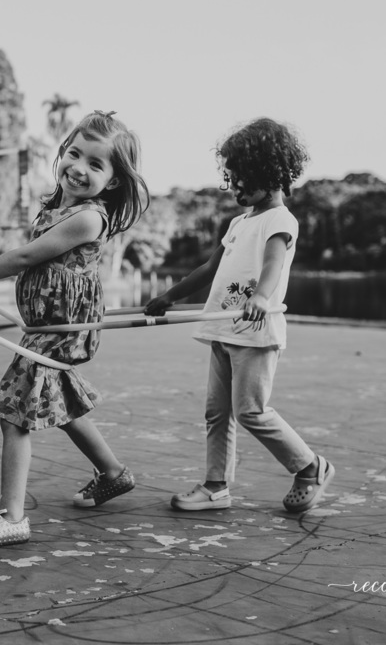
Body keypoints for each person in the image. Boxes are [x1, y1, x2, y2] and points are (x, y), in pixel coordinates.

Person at [0, 111, 150, 548]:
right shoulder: (58, 205)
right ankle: (112, 473)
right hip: (46, 323)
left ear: (113, 181)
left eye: (96, 165)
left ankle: (11, 516)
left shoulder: (89, 218)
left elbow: (25, 258)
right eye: (75, 154)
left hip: (61, 328)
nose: (79, 168)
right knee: (59, 398)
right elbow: (24, 255)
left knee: (14, 412)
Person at [144, 117, 333, 514]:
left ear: (268, 171)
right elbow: (209, 269)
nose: (232, 187)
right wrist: (169, 296)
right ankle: (216, 486)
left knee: (251, 411)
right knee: (217, 412)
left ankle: (311, 467)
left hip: (256, 332)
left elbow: (273, 264)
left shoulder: (280, 220)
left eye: (240, 178)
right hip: (224, 329)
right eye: (229, 178)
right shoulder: (238, 223)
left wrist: (263, 297)